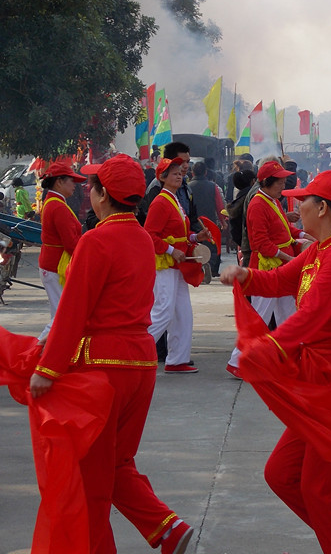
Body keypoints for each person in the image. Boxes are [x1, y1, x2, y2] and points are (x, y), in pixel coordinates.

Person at [220, 170, 331, 553]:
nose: (296, 207)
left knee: (323, 492)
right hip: (324, 386)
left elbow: (310, 315)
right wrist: (246, 274)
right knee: (282, 474)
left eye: (303, 201)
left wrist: (268, 348)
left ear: (322, 208)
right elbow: (281, 281)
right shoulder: (323, 248)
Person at [29, 154, 193, 554]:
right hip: (140, 363)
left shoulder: (96, 239)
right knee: (117, 462)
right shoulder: (139, 236)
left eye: (93, 186)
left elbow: (73, 310)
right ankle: (165, 527)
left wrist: (48, 367)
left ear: (102, 196)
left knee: (90, 477)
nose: (88, 191)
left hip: (103, 367)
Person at [226, 160, 313, 378]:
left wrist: (304, 236)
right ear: (267, 182)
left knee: (288, 315)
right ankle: (238, 361)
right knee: (259, 317)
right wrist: (290, 258)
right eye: (280, 182)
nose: (284, 185)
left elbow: (286, 228)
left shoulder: (272, 200)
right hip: (266, 268)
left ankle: (290, 357)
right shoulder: (258, 204)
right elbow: (261, 244)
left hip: (281, 268)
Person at [145, 157, 205, 374]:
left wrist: (197, 237)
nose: (180, 175)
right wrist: (171, 250)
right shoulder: (161, 202)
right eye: (173, 173)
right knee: (162, 312)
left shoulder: (174, 200)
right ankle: (134, 353)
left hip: (175, 265)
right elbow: (150, 235)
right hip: (165, 265)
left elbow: (178, 234)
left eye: (180, 172)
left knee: (182, 313)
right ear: (162, 178)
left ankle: (177, 360)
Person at [38, 162, 86, 339]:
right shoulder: (57, 206)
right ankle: (34, 353)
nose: (74, 185)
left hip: (52, 265)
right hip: (55, 267)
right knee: (61, 316)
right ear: (59, 182)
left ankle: (43, 355)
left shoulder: (54, 202)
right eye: (71, 181)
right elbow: (71, 243)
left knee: (57, 314)